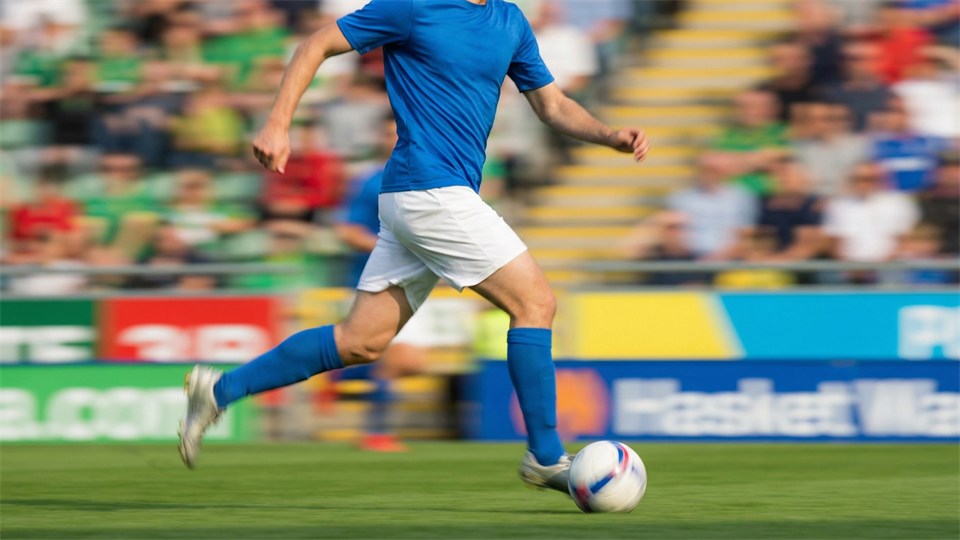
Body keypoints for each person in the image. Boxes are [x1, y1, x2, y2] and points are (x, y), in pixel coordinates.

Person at [178, 0, 649, 497]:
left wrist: (608, 134)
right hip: (431, 191)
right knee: (535, 304)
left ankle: (219, 389)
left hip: (424, 196)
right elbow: (315, 44)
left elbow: (552, 105)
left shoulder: (510, 20)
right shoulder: (413, 8)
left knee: (362, 341)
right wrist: (278, 123)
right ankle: (546, 455)